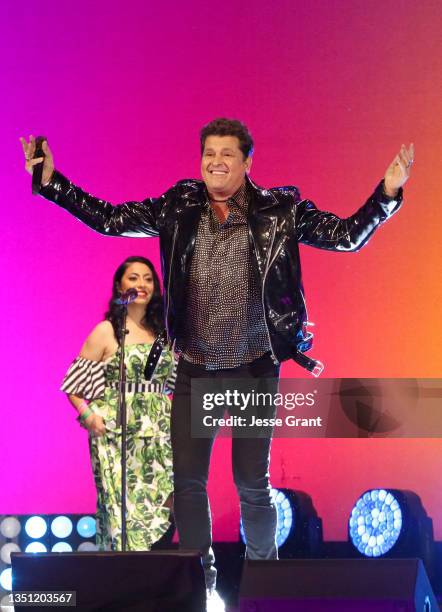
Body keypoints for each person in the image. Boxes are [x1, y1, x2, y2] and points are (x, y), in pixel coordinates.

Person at [21, 119, 414, 605]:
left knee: (252, 483)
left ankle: (264, 582)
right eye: (209, 152)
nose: (216, 162)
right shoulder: (178, 205)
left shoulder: (281, 209)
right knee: (188, 483)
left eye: (227, 153)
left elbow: (346, 235)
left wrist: (386, 195)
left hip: (252, 363)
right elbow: (111, 219)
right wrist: (51, 183)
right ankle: (199, 590)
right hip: (196, 364)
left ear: (248, 162)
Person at [60, 256, 175, 551]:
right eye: (134, 278)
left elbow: (172, 383)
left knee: (165, 502)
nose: (141, 284)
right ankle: (126, 583)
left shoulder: (163, 334)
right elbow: (73, 386)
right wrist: (88, 415)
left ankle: (158, 584)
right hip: (116, 435)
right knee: (123, 513)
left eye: (148, 279)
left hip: (160, 434)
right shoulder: (107, 331)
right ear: (119, 286)